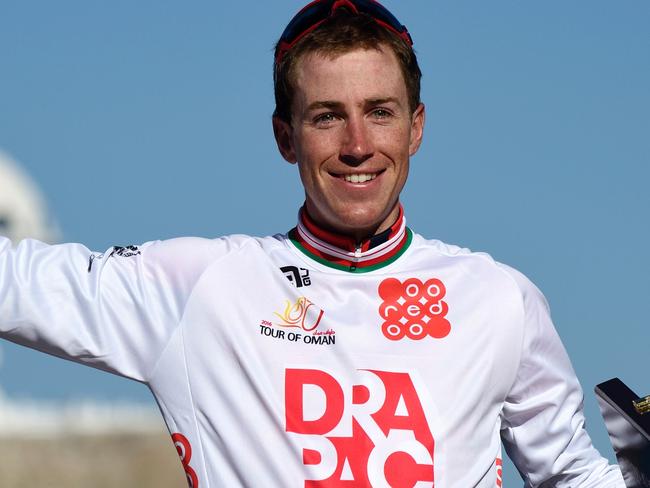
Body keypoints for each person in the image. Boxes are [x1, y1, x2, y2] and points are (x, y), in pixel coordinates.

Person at [0, 1, 625, 486]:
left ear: (417, 128)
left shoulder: (499, 299)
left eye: (380, 111)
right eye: (327, 116)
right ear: (284, 137)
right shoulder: (202, 287)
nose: (357, 143)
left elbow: (570, 471)